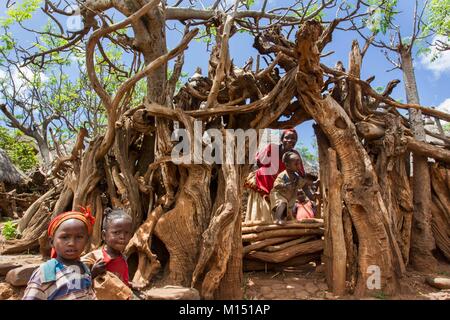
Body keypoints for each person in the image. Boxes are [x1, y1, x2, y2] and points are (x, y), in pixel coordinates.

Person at [22, 208, 96, 300]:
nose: (71, 243)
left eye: (79, 237)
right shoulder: (46, 272)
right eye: (64, 237)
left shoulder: (84, 269)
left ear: (87, 241)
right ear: (51, 242)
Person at [244, 129, 305, 223]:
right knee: (263, 216)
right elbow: (259, 162)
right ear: (282, 139)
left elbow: (301, 173)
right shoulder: (272, 148)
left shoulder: (295, 155)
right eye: (287, 137)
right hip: (262, 183)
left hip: (277, 189)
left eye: (293, 138)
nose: (290, 140)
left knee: (279, 210)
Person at [81, 207, 133, 287]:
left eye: (127, 233)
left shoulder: (122, 257)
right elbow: (78, 284)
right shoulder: (97, 258)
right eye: (117, 232)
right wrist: (93, 273)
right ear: (104, 235)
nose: (122, 237)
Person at [270, 152, 312, 225]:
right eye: (296, 164)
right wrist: (284, 185)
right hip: (278, 194)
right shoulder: (283, 175)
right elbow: (276, 184)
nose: (298, 166)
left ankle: (286, 223)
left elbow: (303, 184)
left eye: (299, 164)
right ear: (287, 165)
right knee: (282, 203)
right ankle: (278, 219)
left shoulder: (296, 176)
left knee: (288, 212)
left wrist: (313, 184)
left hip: (289, 197)